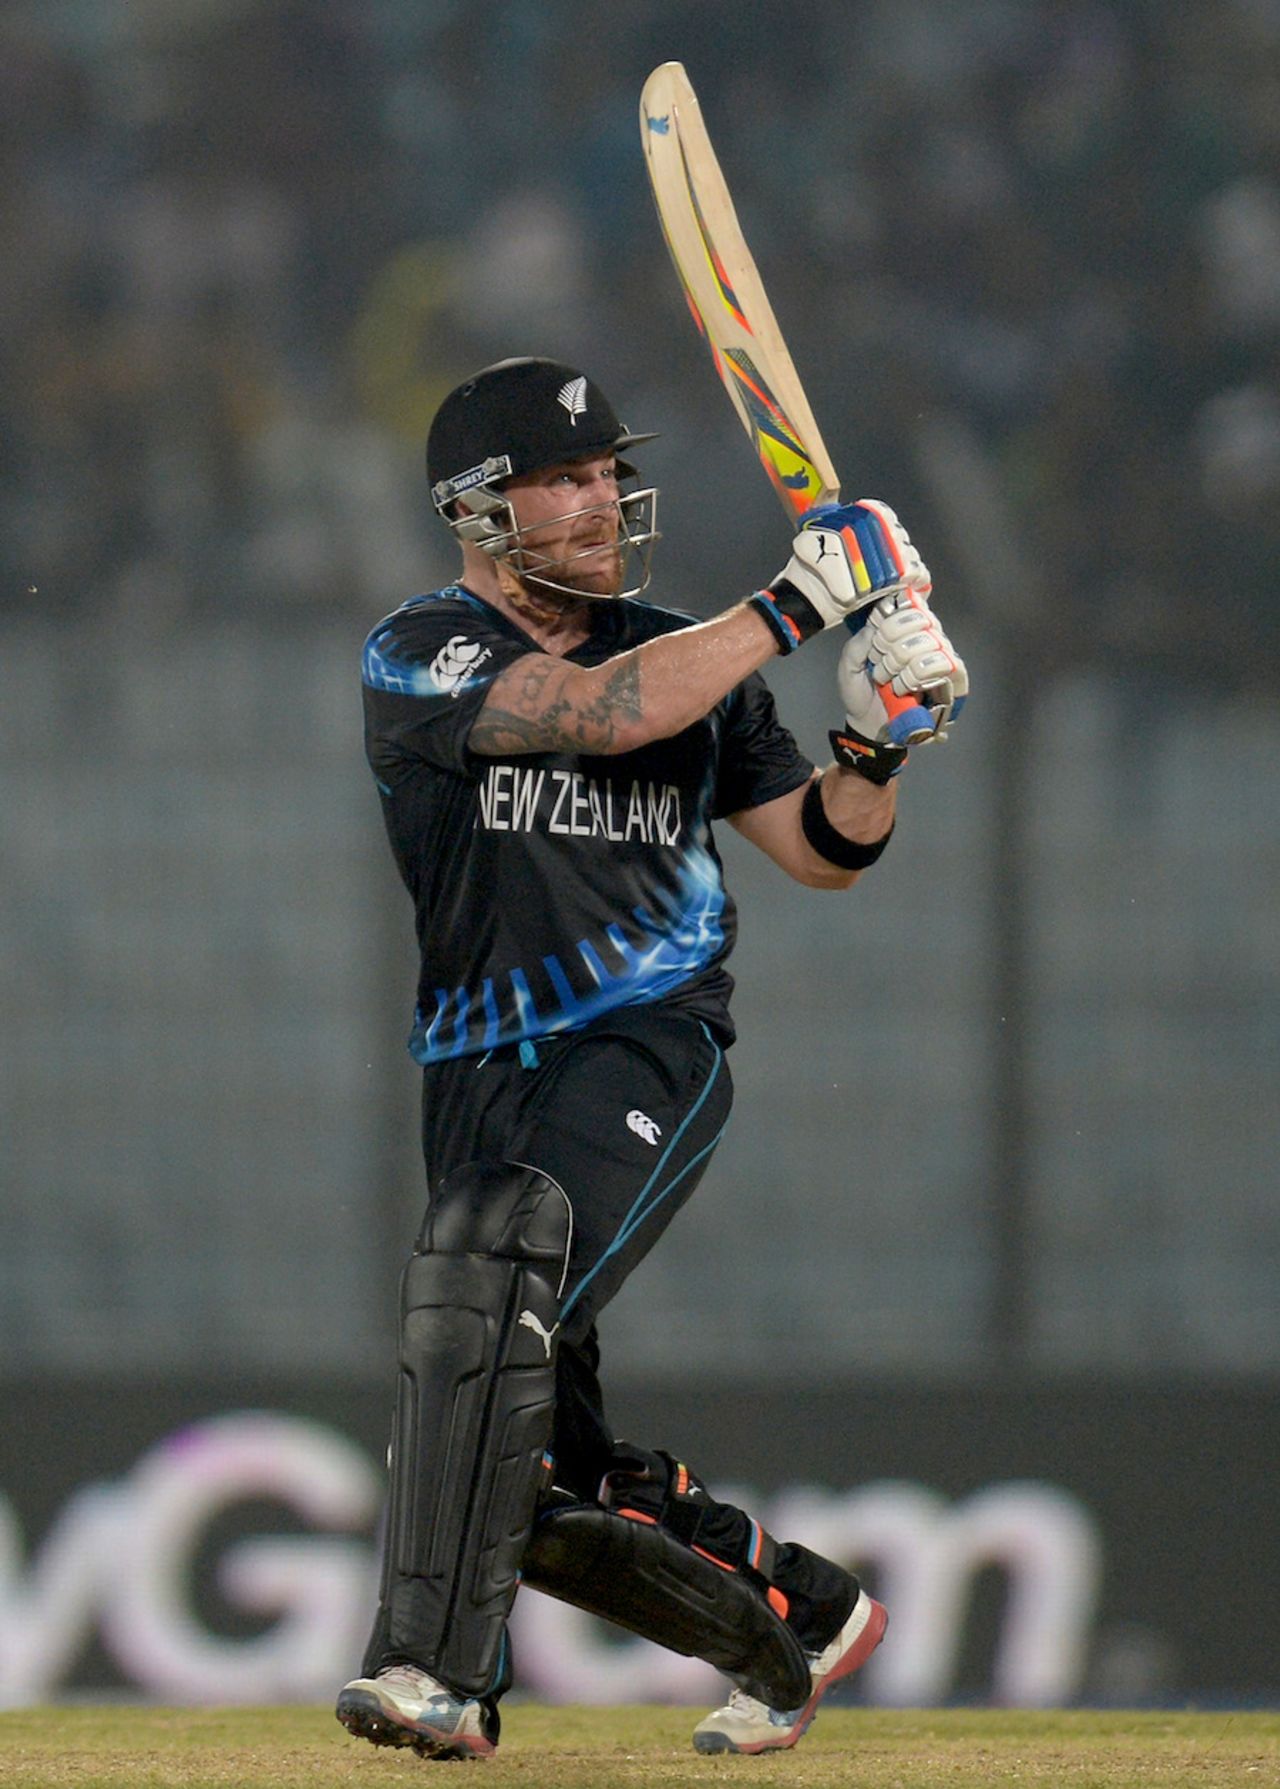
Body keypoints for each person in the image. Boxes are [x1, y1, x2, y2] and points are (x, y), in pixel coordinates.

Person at [335, 356, 968, 1761]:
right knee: (527, 1480)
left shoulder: (689, 646)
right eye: (561, 476)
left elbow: (823, 849)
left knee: (488, 1266)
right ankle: (792, 1613)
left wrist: (880, 742)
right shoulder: (421, 650)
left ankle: (432, 1675)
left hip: (650, 1039)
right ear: (477, 506)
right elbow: (595, 711)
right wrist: (796, 606)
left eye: (606, 469)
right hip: (478, 1074)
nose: (600, 494)